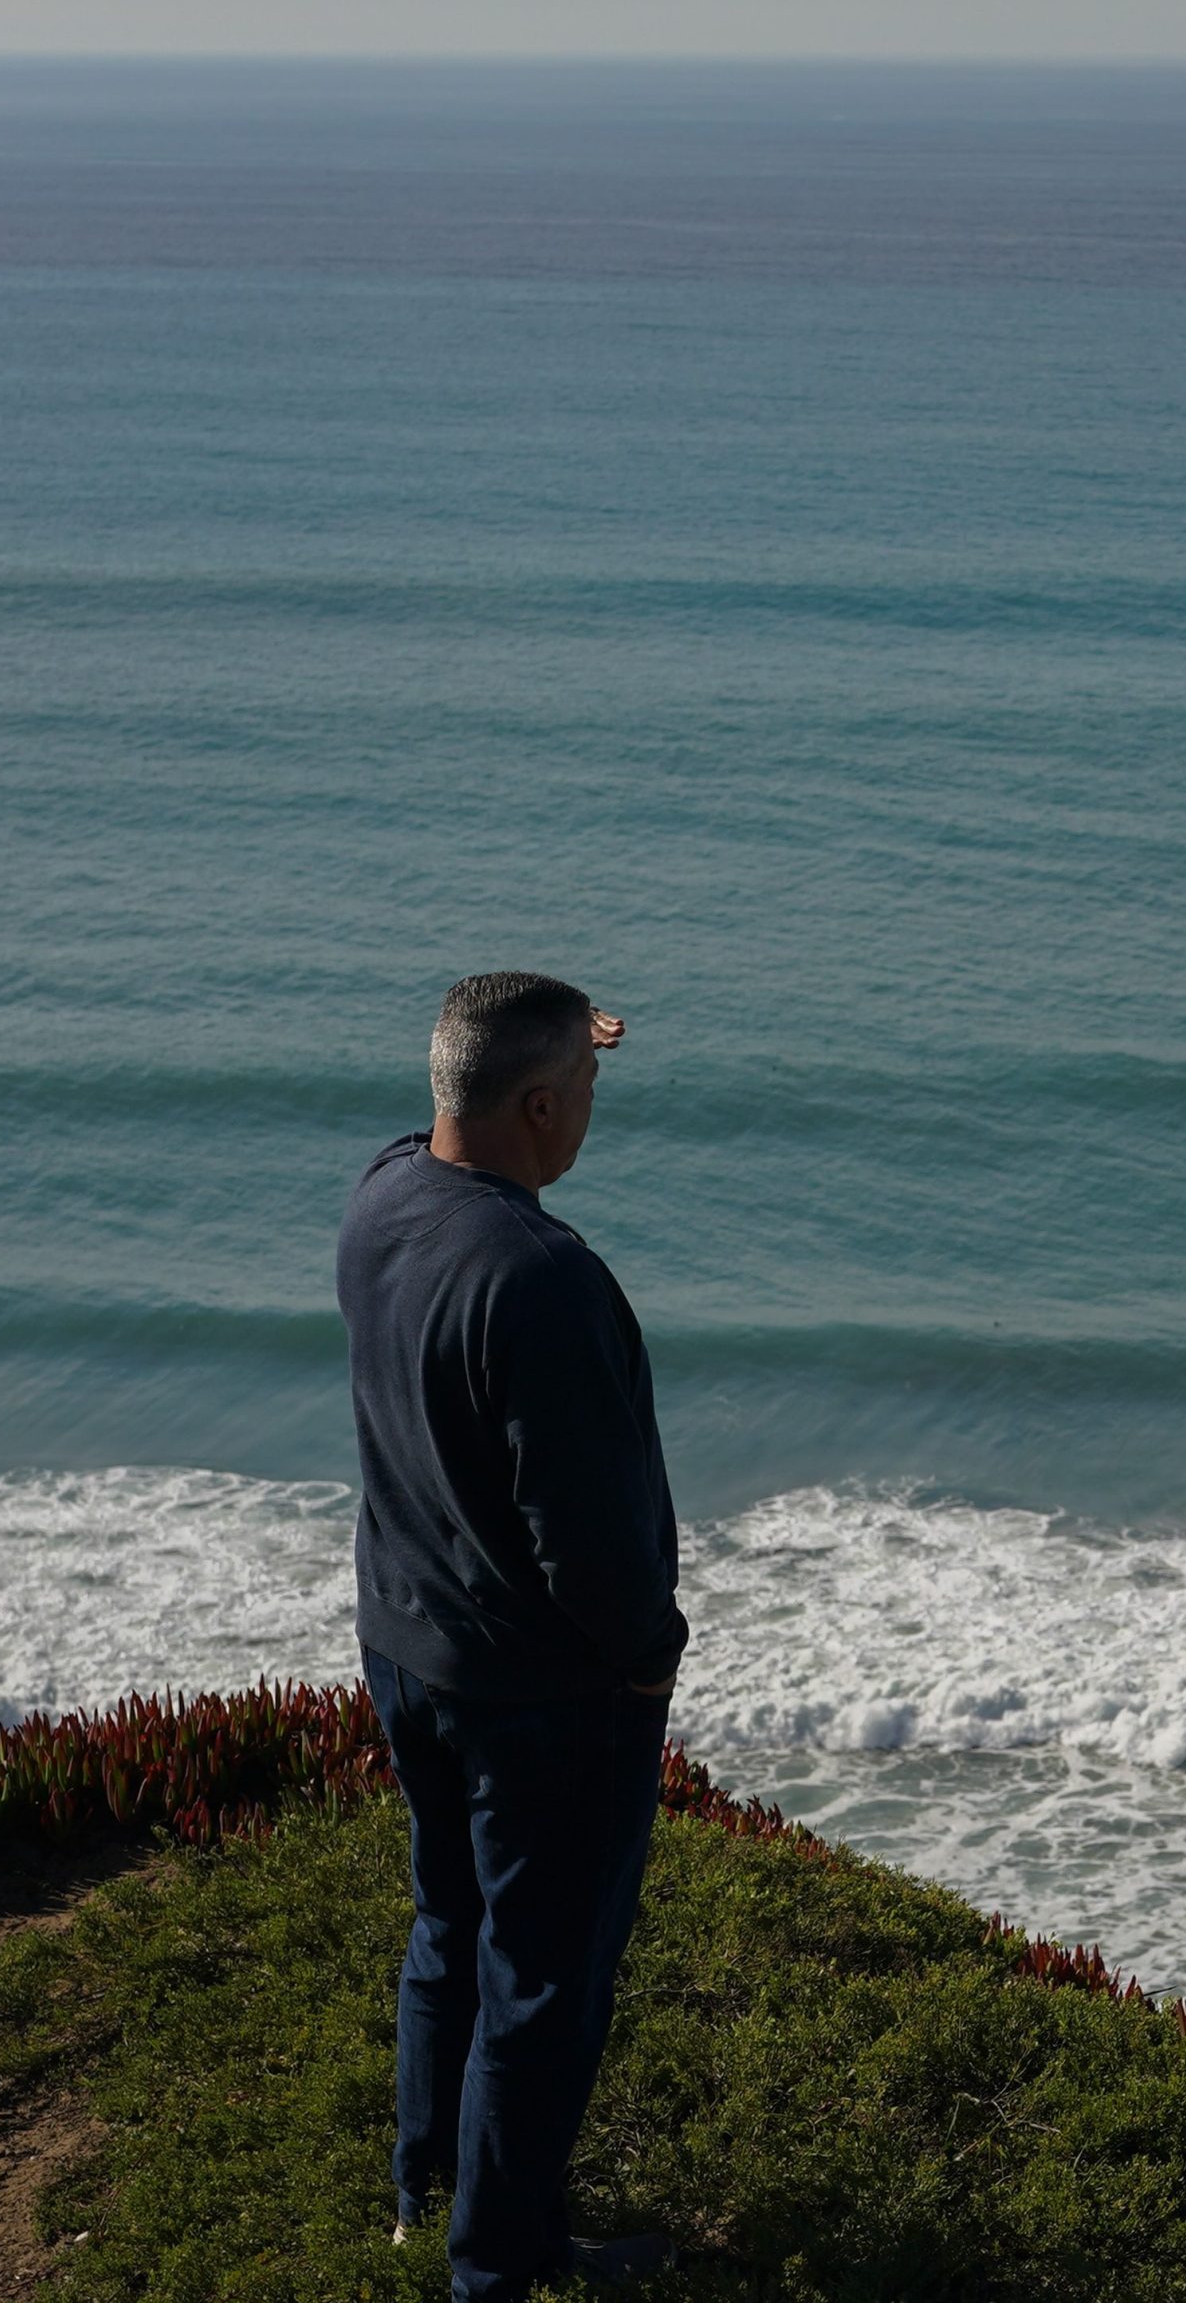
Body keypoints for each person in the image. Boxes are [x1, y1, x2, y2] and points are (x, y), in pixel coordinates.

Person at [340, 970, 689, 2298]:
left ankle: (425, 2188)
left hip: (409, 1647)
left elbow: (456, 1090)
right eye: (586, 1089)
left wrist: (540, 1036)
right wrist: (650, 1651)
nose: (594, 1107)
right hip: (536, 1700)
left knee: (450, 1924)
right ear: (542, 1108)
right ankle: (498, 2272)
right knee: (543, 1988)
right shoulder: (542, 1279)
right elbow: (585, 1542)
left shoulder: (383, 1196)